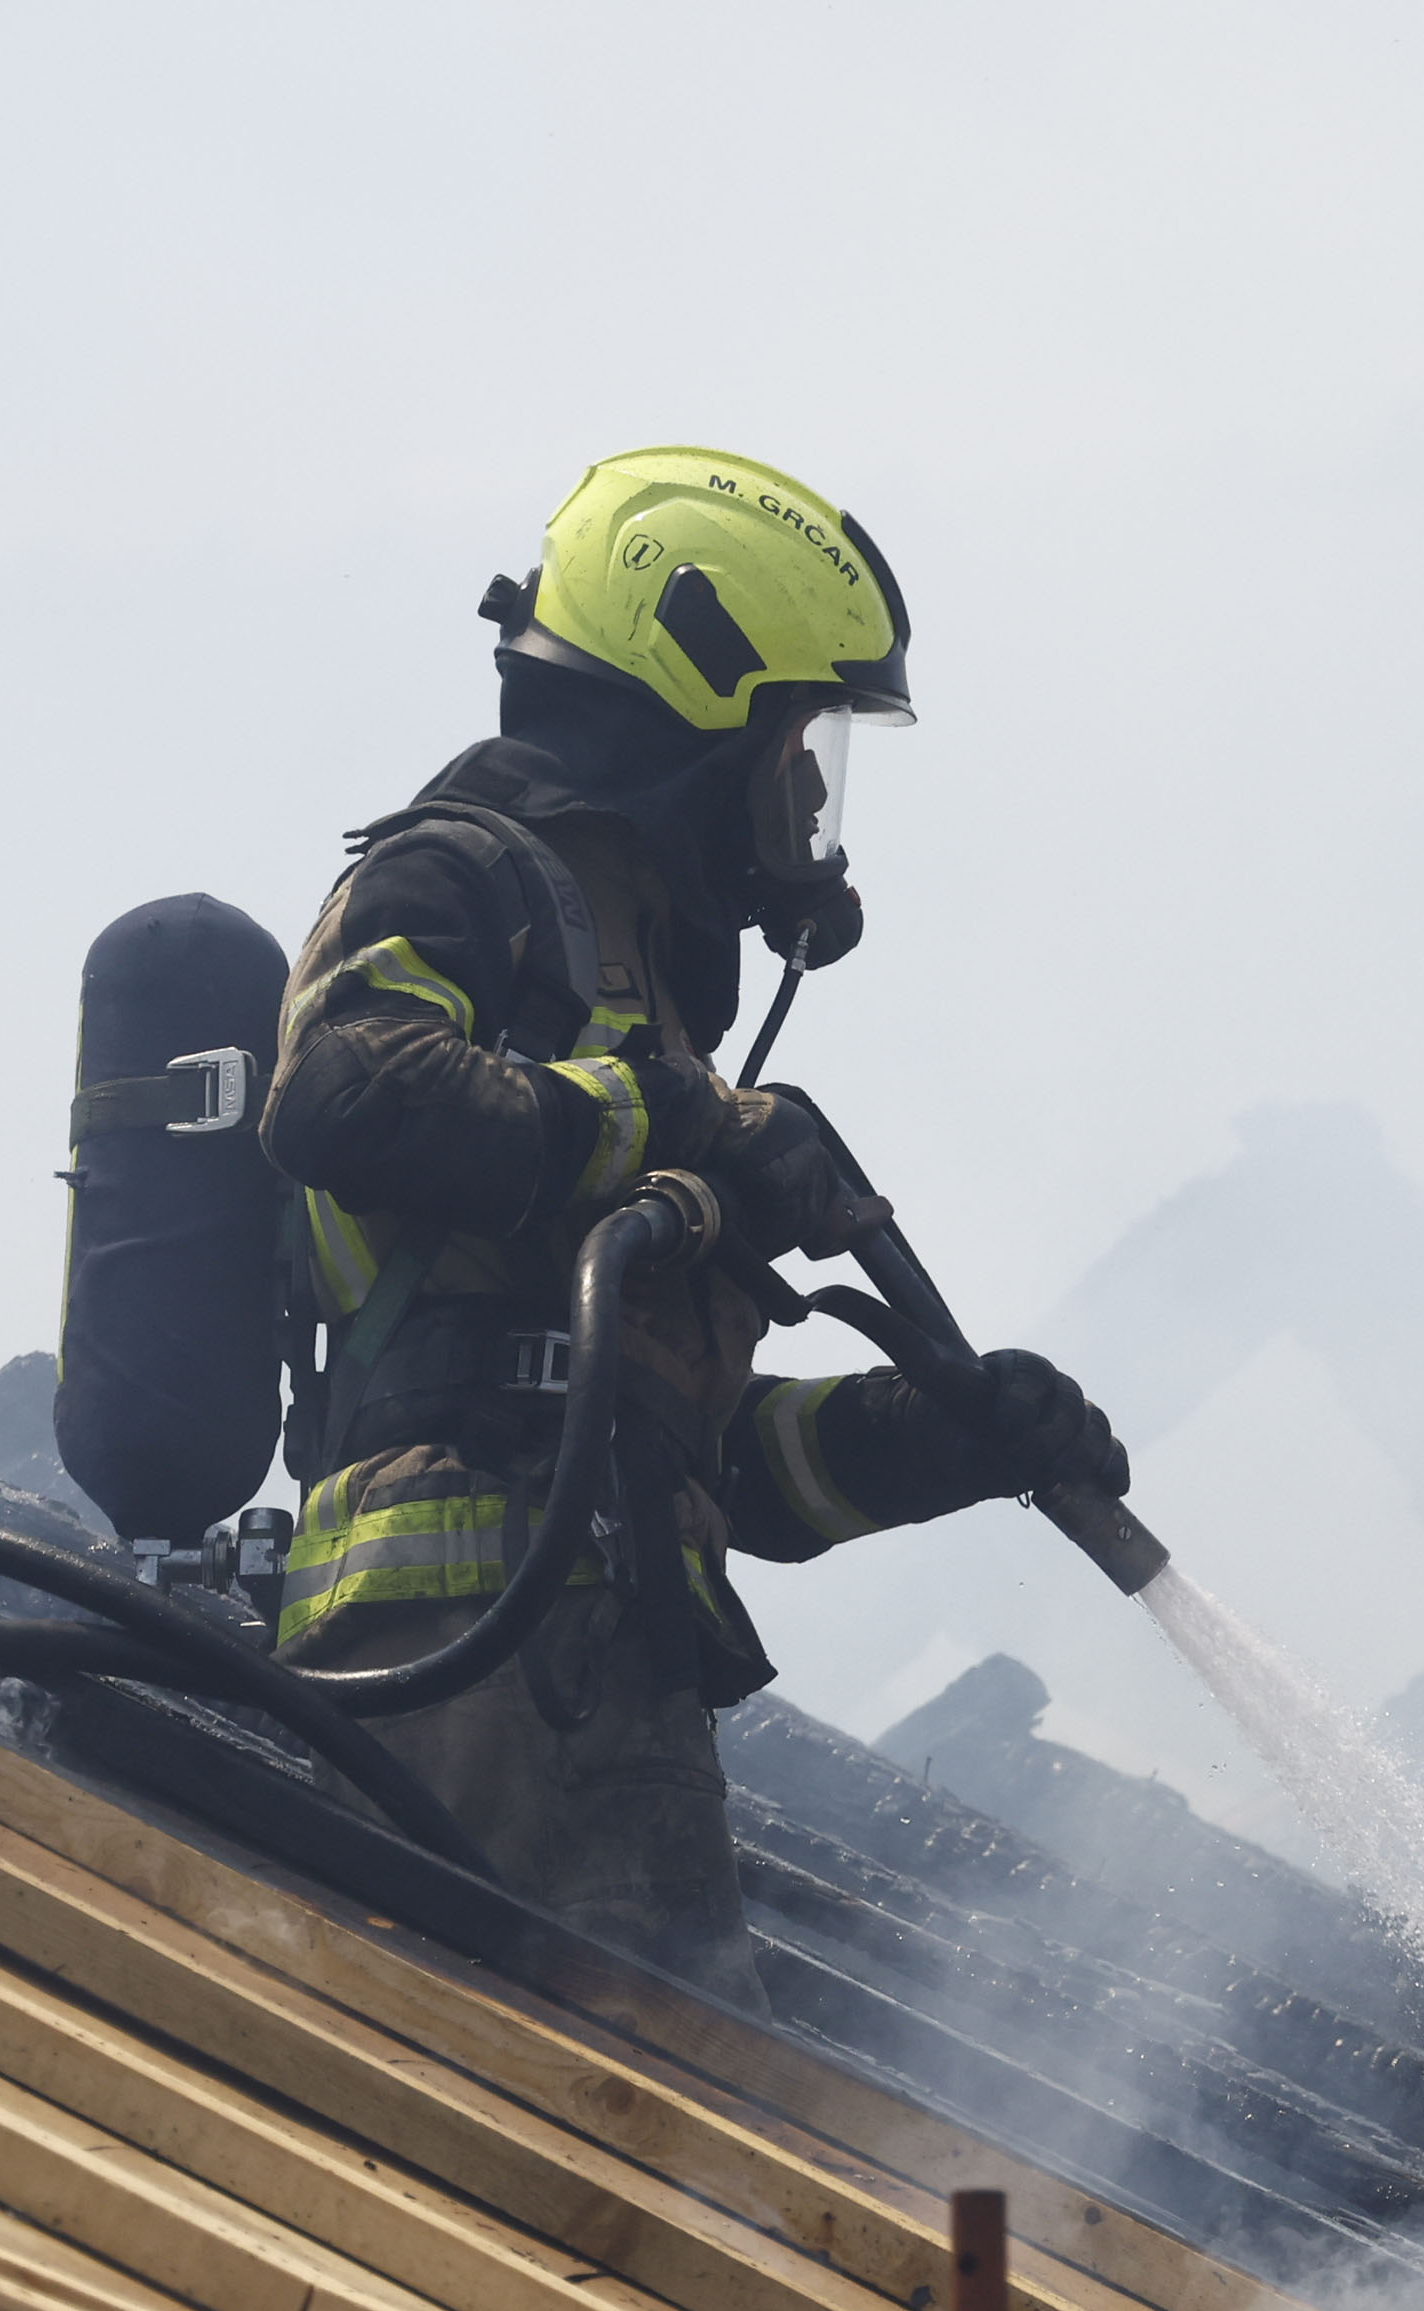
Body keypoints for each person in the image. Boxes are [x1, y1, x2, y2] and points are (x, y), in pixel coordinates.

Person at [259, 447, 1128, 2010]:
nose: (806, 797)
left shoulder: (628, 1004)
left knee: (663, 2173)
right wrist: (694, 1118)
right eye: (797, 740)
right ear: (695, 704)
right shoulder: (467, 879)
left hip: (602, 1669)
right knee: (568, 2153)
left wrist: (944, 1435)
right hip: (459, 1653)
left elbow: (709, 1459)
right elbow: (343, 1089)